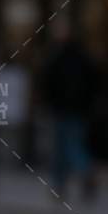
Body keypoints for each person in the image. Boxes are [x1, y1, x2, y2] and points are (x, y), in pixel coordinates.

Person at [39, 21, 99, 200]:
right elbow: (94, 83)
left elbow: (47, 82)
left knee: (63, 147)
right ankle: (68, 180)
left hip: (61, 109)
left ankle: (75, 175)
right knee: (72, 143)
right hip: (79, 109)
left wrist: (48, 102)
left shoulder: (56, 57)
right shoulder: (84, 57)